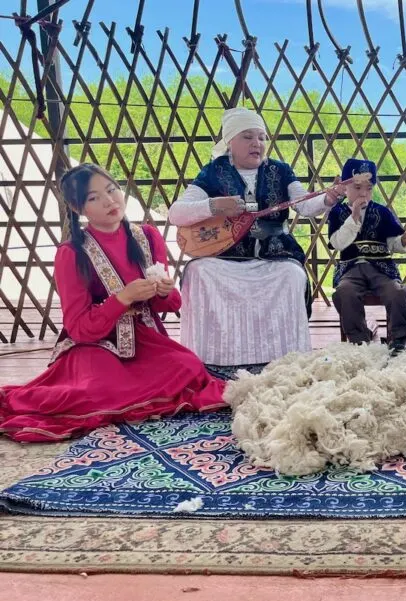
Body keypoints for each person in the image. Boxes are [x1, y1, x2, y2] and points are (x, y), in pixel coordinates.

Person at [0, 164, 227, 443]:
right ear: (78, 208)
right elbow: (79, 328)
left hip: (145, 338)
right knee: (97, 390)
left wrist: (164, 291)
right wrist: (122, 298)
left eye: (111, 190)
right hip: (95, 344)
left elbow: (168, 305)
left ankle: (135, 390)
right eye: (93, 198)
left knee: (188, 366)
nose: (109, 201)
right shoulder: (71, 253)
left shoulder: (146, 236)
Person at [169, 107, 344, 365]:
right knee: (199, 272)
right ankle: (214, 359)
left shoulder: (280, 170)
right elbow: (176, 214)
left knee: (291, 275)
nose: (257, 144)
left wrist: (328, 197)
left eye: (261, 137)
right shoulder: (213, 172)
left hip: (274, 255)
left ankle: (285, 359)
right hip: (226, 257)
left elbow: (305, 206)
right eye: (248, 137)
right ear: (230, 142)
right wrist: (214, 206)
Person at [328, 159, 406, 351]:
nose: (363, 193)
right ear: (344, 188)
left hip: (381, 267)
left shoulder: (382, 212)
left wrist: (404, 240)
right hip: (350, 268)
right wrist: (353, 218)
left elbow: (393, 243)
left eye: (368, 188)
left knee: (396, 292)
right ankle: (360, 339)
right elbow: (337, 243)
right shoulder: (338, 212)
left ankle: (398, 338)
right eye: (357, 187)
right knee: (345, 292)